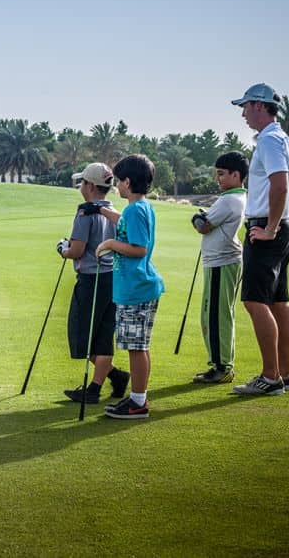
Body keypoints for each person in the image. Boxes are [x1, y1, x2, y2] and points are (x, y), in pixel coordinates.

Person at [230, 83, 289, 396]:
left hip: (266, 229)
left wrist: (272, 228)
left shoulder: (270, 141)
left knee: (254, 300)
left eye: (245, 106)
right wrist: (286, 223)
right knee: (278, 301)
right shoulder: (284, 139)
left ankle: (271, 377)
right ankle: (283, 375)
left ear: (260, 106)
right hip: (281, 228)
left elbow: (282, 186)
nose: (243, 113)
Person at [94, 155, 165, 419]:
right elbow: (124, 222)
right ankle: (137, 398)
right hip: (134, 287)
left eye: (118, 182)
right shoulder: (139, 208)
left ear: (127, 182)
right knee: (137, 345)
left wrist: (109, 244)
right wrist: (101, 210)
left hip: (136, 288)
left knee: (137, 347)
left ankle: (138, 402)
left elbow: (139, 248)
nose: (116, 187)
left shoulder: (136, 210)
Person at [56, 162, 129, 404]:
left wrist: (62, 250)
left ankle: (111, 379)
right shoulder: (113, 211)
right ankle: (102, 385)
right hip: (112, 279)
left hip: (91, 279)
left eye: (82, 183)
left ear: (89, 185)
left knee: (81, 336)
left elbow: (77, 250)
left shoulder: (85, 212)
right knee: (103, 335)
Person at [189, 151, 249, 384]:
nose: (218, 179)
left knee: (215, 316)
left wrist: (196, 219)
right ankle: (222, 364)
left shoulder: (229, 200)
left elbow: (203, 226)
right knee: (219, 314)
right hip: (223, 261)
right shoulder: (236, 198)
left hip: (221, 263)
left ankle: (222, 367)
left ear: (236, 175)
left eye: (222, 174)